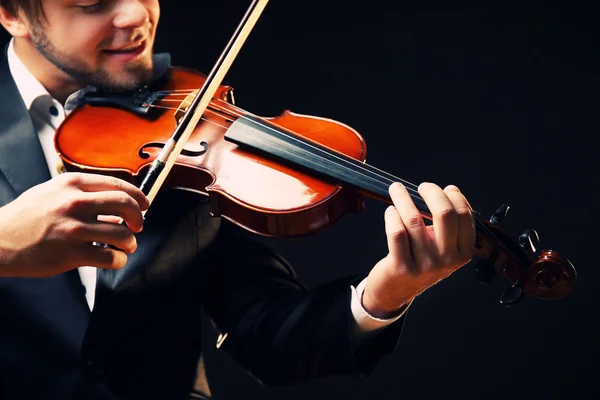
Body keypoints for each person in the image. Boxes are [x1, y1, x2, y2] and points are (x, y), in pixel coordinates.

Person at [0, 1, 475, 399]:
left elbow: (269, 336)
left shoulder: (188, 122)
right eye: (92, 3)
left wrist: (387, 291)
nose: (134, 15)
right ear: (12, 14)